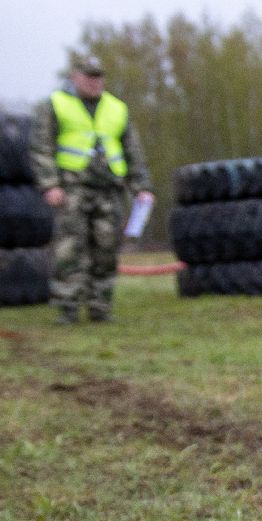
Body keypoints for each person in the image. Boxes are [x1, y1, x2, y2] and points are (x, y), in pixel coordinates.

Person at [29, 53, 152, 324]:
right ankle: (67, 307)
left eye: (99, 77)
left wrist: (140, 186)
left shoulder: (117, 108)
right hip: (72, 188)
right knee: (69, 248)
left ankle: (100, 306)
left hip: (109, 189)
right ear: (75, 77)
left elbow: (132, 151)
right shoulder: (57, 104)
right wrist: (50, 184)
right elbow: (42, 147)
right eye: (89, 76)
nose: (95, 82)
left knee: (106, 248)